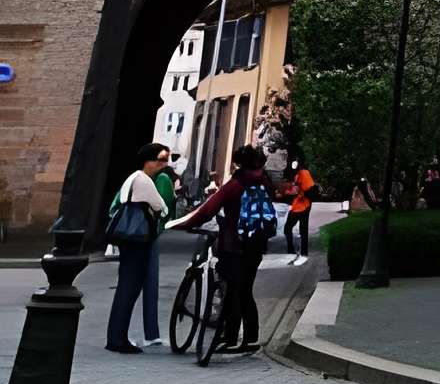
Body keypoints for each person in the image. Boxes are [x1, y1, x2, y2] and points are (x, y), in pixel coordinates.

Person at [168, 144, 279, 356]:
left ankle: (229, 337)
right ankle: (251, 339)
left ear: (239, 163)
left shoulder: (234, 185)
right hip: (255, 245)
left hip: (233, 245)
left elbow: (208, 210)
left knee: (231, 290)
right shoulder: (264, 182)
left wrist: (183, 224)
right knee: (246, 290)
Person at [105, 144, 171, 355]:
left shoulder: (131, 178)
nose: (162, 165)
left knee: (125, 286)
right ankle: (119, 339)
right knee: (129, 289)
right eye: (158, 160)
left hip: (126, 240)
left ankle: (115, 336)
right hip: (139, 239)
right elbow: (161, 206)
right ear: (148, 161)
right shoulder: (144, 181)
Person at [281, 158, 318, 264]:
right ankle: (302, 252)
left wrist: (286, 193)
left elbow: (302, 189)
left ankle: (292, 251)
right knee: (302, 229)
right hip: (304, 205)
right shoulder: (303, 173)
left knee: (289, 228)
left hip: (301, 206)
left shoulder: (302, 174)